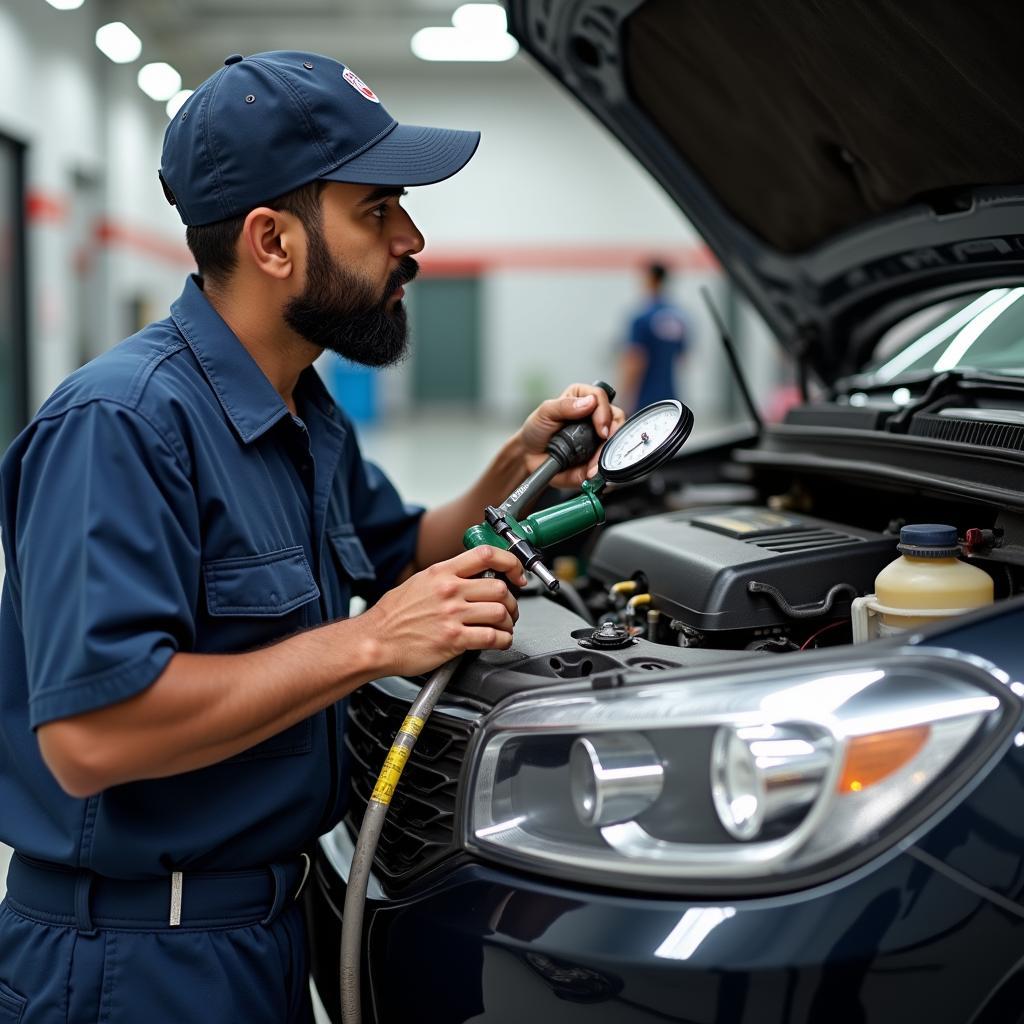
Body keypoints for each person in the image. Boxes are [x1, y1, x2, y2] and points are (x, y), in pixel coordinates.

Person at [0, 51, 623, 1023]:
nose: (412, 239)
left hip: (265, 932)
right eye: (378, 210)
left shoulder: (302, 412)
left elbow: (403, 548)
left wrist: (516, 462)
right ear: (272, 242)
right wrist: (369, 641)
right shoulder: (121, 425)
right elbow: (92, 733)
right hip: (134, 966)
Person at [618, 260, 690, 413]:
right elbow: (682, 357)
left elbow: (635, 360)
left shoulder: (642, 318)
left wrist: (624, 398)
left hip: (645, 399)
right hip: (670, 397)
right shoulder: (678, 318)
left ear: (651, 279)